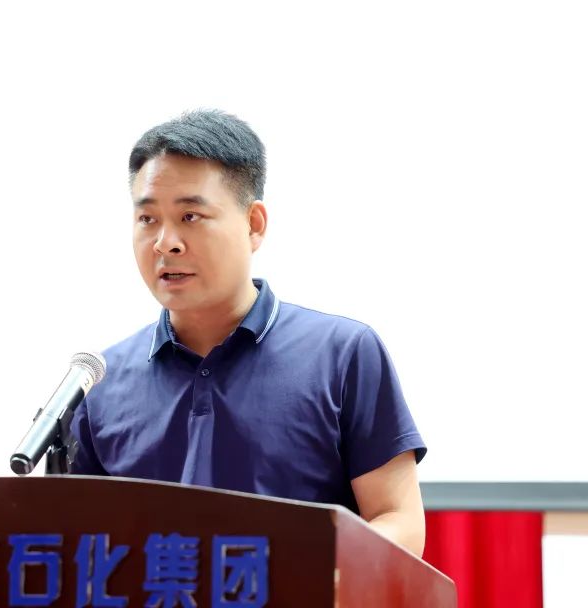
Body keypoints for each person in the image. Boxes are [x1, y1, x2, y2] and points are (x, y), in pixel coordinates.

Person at [68, 109, 427, 556]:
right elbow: (76, 544)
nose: (165, 242)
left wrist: (306, 572)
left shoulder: (343, 354)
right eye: (147, 220)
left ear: (254, 224)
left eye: (190, 216)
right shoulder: (101, 382)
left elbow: (399, 520)